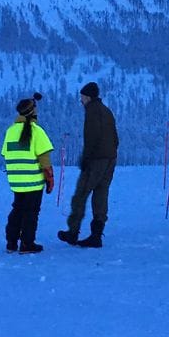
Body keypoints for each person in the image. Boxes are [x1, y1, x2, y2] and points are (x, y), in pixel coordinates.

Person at [58, 81, 119, 248]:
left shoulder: (92, 112)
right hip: (110, 159)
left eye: (82, 97)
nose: (81, 100)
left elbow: (91, 138)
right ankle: (96, 235)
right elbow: (115, 138)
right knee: (101, 194)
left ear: (87, 96)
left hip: (96, 160)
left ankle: (73, 232)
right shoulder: (106, 111)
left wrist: (86, 158)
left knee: (81, 194)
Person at [2, 92, 55, 254]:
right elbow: (44, 158)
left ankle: (11, 243)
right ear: (33, 112)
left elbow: (5, 154)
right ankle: (27, 244)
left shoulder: (10, 131)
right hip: (33, 180)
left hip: (16, 182)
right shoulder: (36, 131)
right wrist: (50, 178)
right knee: (31, 212)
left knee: (17, 209)